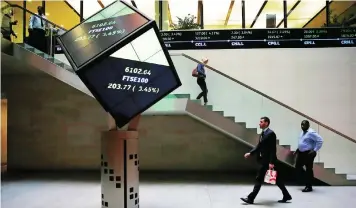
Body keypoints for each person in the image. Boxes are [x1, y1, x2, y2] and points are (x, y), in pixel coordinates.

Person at [241, 117, 292, 204]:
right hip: (263, 160)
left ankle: (250, 198)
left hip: (267, 161)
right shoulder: (263, 133)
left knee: (259, 179)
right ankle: (287, 195)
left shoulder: (271, 134)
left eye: (261, 122)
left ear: (267, 123)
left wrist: (271, 162)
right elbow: (259, 146)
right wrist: (250, 153)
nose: (259, 123)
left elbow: (273, 149)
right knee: (277, 179)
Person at [294, 120, 323, 192]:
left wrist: (315, 150)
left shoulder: (311, 132)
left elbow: (320, 140)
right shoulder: (302, 132)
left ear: (308, 125)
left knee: (308, 169)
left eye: (304, 125)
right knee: (298, 167)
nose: (302, 126)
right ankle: (308, 180)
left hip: (308, 153)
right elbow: (303, 142)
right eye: (301, 125)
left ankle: (309, 186)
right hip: (301, 153)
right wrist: (298, 149)